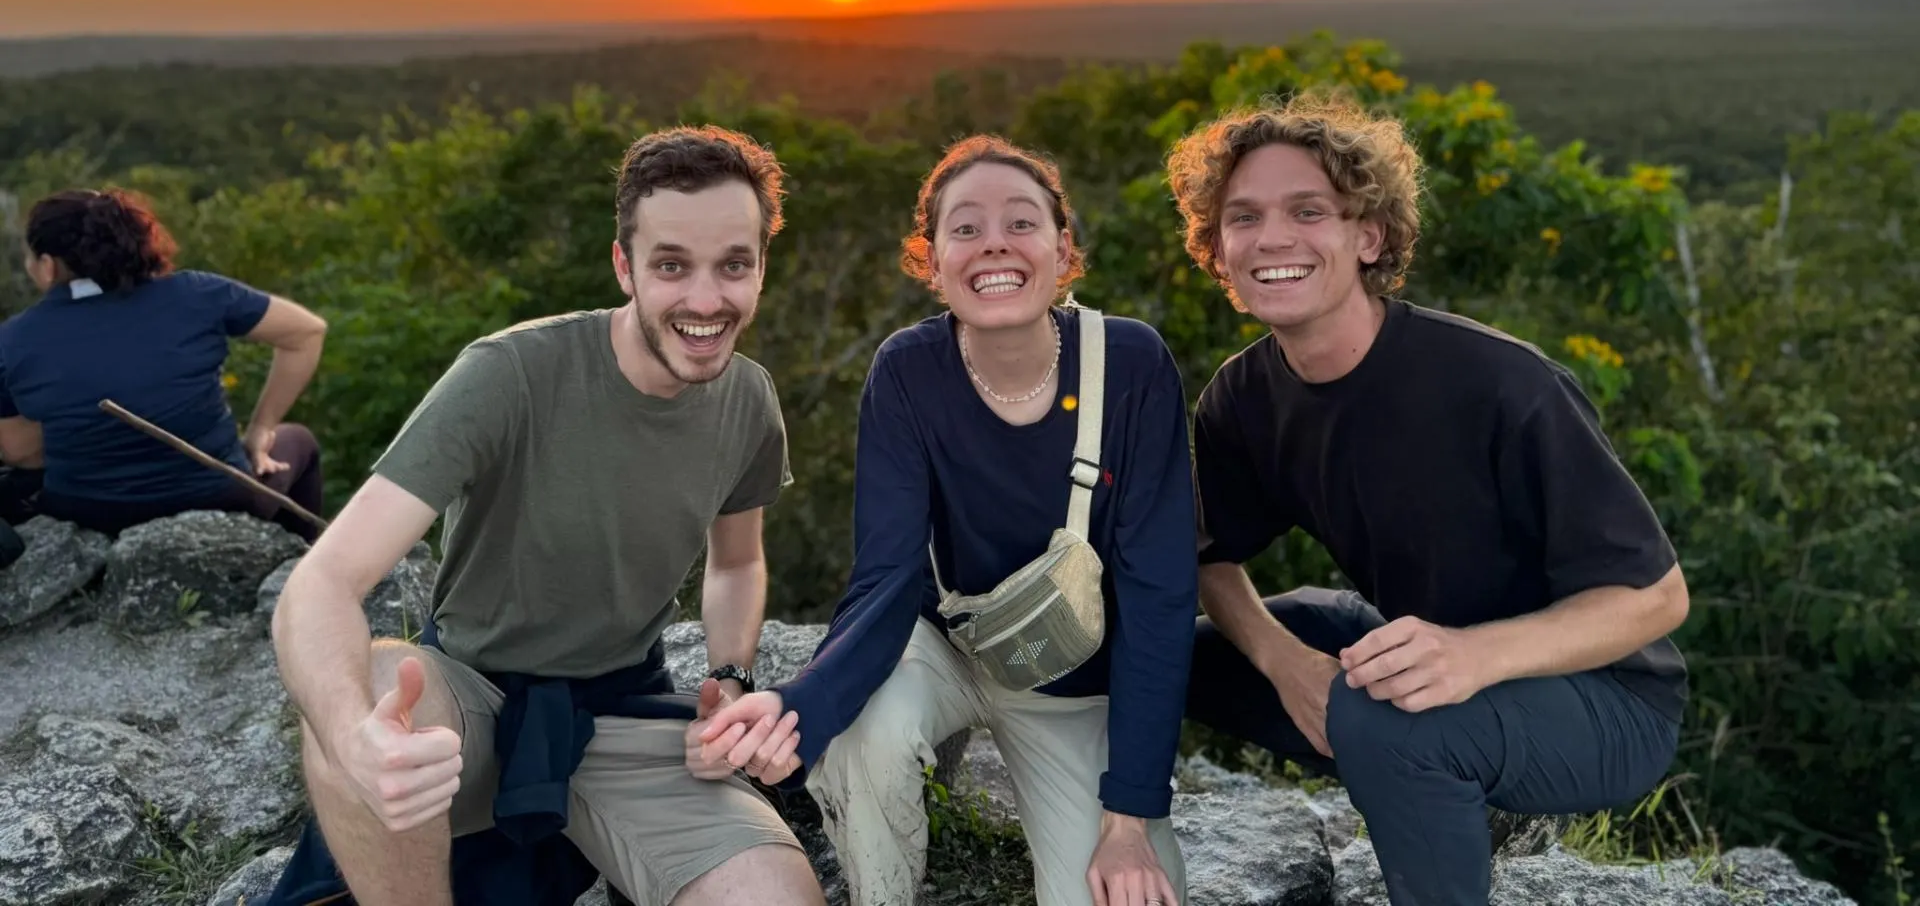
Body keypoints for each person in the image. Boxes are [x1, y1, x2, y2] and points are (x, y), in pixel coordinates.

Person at [268, 125, 824, 906]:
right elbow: (322, 582)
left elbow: (736, 561)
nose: (707, 300)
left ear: (761, 268)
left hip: (625, 710)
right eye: (672, 265)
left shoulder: (749, 400)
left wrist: (730, 676)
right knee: (370, 692)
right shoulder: (510, 375)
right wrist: (352, 735)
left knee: (777, 897)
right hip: (473, 694)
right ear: (623, 264)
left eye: (734, 265)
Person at [1166, 94, 1691, 906]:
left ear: (1367, 236)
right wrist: (1286, 664)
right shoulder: (1244, 396)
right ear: (1218, 248)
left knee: (1389, 719)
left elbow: (1657, 599)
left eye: (1309, 211)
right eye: (1243, 217)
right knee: (1167, 653)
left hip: (1604, 700)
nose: (1271, 237)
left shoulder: (1498, 383)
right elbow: (1207, 553)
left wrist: (1474, 658)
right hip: (1425, 655)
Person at [699, 137, 1196, 906]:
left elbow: (1161, 599)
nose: (994, 240)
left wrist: (1129, 815)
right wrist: (798, 711)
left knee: (1117, 893)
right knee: (864, 737)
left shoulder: (1130, 365)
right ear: (932, 262)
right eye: (965, 228)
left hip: (1074, 685)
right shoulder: (907, 371)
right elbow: (888, 576)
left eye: (1021, 222)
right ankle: (883, 894)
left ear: (1064, 251)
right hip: (947, 645)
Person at [0, 188, 328, 542]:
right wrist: (261, 429)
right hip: (219, 497)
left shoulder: (13, 338)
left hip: (90, 512)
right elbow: (307, 332)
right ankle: (299, 569)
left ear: (48, 267)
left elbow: (22, 453)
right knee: (300, 441)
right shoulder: (198, 293)